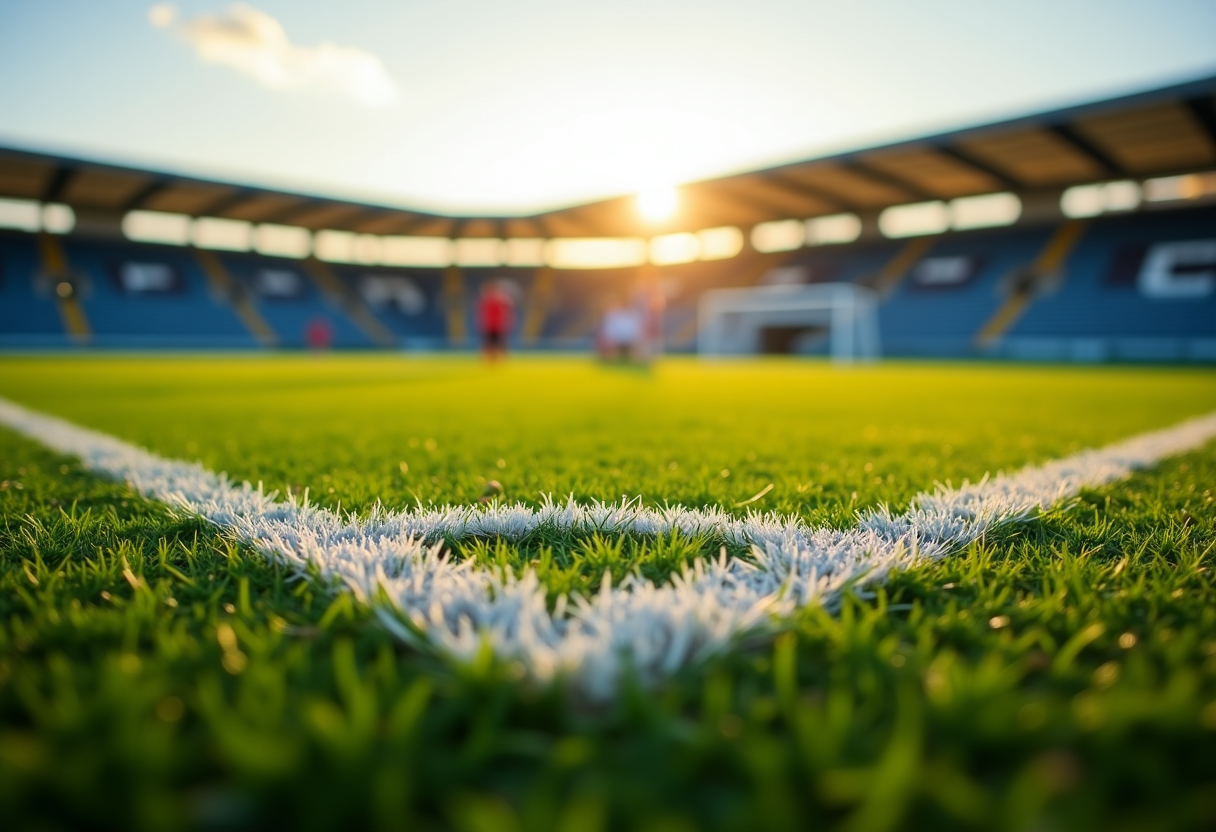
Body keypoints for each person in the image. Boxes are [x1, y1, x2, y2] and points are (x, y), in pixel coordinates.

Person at [478, 280, 515, 361]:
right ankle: (491, 358)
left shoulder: (499, 298)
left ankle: (497, 357)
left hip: (497, 325)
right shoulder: (488, 299)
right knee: (491, 343)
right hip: (491, 325)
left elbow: (509, 306)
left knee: (497, 342)